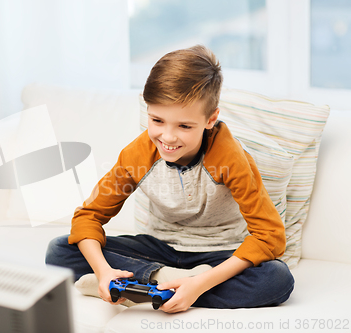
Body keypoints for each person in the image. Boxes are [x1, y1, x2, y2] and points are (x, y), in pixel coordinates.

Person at [45, 45, 294, 313]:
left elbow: (270, 236)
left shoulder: (229, 156)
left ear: (211, 119)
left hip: (219, 253)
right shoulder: (137, 155)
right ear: (147, 107)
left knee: (277, 279)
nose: (168, 137)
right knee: (59, 251)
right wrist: (104, 271)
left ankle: (149, 288)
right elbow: (88, 217)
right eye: (157, 120)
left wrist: (200, 282)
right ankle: (155, 282)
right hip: (159, 248)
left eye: (184, 126)